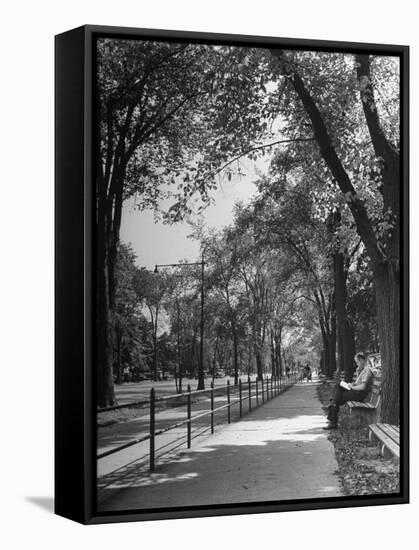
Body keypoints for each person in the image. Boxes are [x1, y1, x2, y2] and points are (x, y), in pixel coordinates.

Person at [324, 352, 373, 429]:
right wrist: (352, 384)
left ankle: (333, 421)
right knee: (339, 386)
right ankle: (333, 409)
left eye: (357, 362)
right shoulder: (362, 370)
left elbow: (362, 387)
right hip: (356, 392)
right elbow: (357, 384)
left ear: (361, 360)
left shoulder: (367, 370)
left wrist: (352, 387)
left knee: (337, 398)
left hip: (359, 395)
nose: (357, 364)